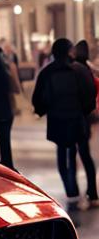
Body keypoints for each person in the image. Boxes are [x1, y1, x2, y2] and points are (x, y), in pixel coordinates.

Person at [32, 37, 98, 209]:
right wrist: (84, 111)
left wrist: (44, 111)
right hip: (78, 120)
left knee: (62, 155)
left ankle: (71, 192)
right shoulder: (80, 70)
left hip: (57, 121)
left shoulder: (47, 72)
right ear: (69, 52)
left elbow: (38, 99)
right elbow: (90, 95)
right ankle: (92, 192)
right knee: (85, 155)